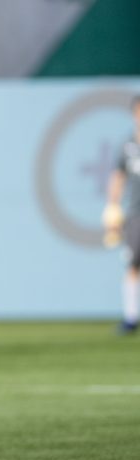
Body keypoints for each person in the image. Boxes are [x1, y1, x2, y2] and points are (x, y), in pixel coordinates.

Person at [103, 95, 140, 335]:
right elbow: (118, 176)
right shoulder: (128, 145)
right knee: (133, 263)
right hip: (136, 213)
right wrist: (112, 206)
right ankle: (130, 317)